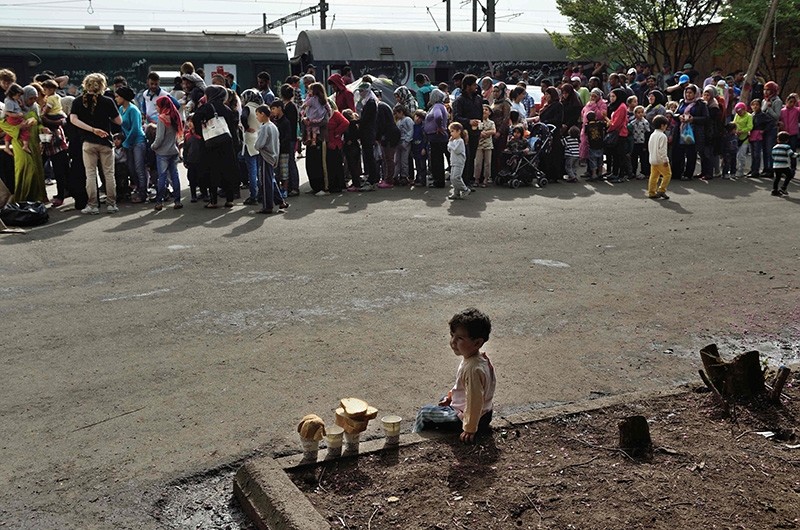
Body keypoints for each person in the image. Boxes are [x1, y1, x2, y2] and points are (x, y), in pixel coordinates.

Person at [413, 308, 496, 442]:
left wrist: (469, 428)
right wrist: (450, 397)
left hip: (469, 419)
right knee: (443, 399)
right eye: (452, 336)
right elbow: (467, 388)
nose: (453, 342)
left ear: (477, 343)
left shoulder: (472, 369)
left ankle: (414, 437)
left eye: (460, 338)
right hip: (485, 413)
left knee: (424, 412)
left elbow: (475, 400)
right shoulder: (479, 360)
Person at [69, 74, 122, 214]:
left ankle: (92, 205)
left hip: (87, 142)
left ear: (85, 85)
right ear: (102, 85)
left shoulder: (78, 101)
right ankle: (111, 204)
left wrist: (92, 130)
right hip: (105, 142)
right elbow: (119, 121)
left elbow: (73, 120)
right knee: (109, 174)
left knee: (90, 174)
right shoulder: (108, 101)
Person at [192, 85, 238, 208]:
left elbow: (196, 118)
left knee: (212, 171)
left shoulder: (206, 108)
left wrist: (200, 132)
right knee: (227, 170)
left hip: (211, 144)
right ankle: (229, 199)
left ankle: (213, 201)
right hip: (227, 144)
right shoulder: (226, 109)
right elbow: (233, 128)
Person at [114, 86, 148, 203]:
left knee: (139, 168)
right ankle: (139, 188)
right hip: (128, 143)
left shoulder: (133, 110)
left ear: (124, 97)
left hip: (138, 142)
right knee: (131, 168)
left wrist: (126, 143)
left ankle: (143, 193)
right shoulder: (120, 109)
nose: (116, 98)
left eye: (118, 96)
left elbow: (135, 129)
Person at [151, 96, 183, 210]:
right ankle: (177, 200)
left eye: (157, 105)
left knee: (162, 177)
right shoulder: (174, 116)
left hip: (162, 153)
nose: (156, 107)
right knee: (174, 176)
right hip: (173, 151)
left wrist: (153, 146)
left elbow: (159, 138)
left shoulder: (162, 118)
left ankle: (159, 202)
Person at [670, 84, 708, 181]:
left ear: (695, 93)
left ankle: (688, 174)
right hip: (680, 130)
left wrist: (693, 119)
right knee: (678, 152)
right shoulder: (682, 102)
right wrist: (679, 117)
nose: (688, 95)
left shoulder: (701, 104)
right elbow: (675, 114)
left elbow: (706, 118)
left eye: (690, 93)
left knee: (691, 153)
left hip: (693, 131)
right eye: (686, 92)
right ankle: (677, 173)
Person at [452, 75, 484, 186]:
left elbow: (481, 115)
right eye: (474, 84)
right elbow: (456, 117)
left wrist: (480, 128)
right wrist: (469, 121)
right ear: (467, 86)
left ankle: (469, 181)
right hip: (464, 135)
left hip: (475, 133)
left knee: (472, 158)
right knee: (465, 157)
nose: (476, 86)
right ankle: (462, 182)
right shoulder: (459, 101)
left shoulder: (478, 99)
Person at [253, 104, 281, 213]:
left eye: (257, 114)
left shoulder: (265, 127)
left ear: (263, 114)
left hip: (265, 156)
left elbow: (259, 144)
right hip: (273, 155)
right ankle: (280, 201)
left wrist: (256, 146)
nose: (257, 117)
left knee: (265, 182)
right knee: (270, 179)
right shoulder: (273, 126)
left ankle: (267, 206)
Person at [240, 89, 264, 205]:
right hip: (260, 139)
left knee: (252, 171)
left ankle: (253, 196)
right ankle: (261, 195)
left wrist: (246, 127)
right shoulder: (261, 108)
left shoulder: (247, 108)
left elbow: (243, 118)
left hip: (250, 140)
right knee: (259, 170)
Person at [354, 83, 379, 190]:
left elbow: (365, 120)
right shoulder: (368, 102)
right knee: (368, 157)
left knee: (370, 157)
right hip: (367, 133)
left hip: (368, 133)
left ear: (367, 91)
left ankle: (373, 180)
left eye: (362, 91)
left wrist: (353, 122)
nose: (360, 93)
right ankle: (372, 178)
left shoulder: (371, 103)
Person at [424, 88, 450, 188]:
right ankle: (439, 180)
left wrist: (439, 127)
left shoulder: (437, 106)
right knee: (438, 159)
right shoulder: (441, 106)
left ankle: (438, 181)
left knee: (436, 160)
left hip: (436, 137)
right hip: (438, 137)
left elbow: (438, 116)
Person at [761, 81, 782, 178]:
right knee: (764, 149)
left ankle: (771, 169)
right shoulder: (764, 100)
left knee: (770, 149)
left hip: (772, 127)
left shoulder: (777, 101)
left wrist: (769, 108)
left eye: (768, 90)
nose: (766, 92)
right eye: (765, 90)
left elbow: (776, 116)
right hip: (763, 127)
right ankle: (765, 168)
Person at [647, 115, 671, 199]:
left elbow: (650, 146)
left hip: (653, 159)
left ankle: (651, 192)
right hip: (661, 160)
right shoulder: (663, 136)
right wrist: (665, 160)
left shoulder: (652, 135)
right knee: (667, 174)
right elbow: (663, 150)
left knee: (653, 176)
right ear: (662, 125)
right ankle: (662, 190)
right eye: (665, 125)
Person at [3, 83, 31, 154]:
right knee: (25, 129)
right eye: (18, 95)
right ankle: (25, 145)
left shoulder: (14, 100)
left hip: (16, 117)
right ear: (13, 93)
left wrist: (20, 105)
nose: (19, 97)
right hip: (14, 119)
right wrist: (17, 115)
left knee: (10, 133)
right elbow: (7, 113)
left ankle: (6, 147)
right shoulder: (9, 101)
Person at [447, 122, 470, 200]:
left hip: (459, 162)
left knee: (456, 177)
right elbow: (449, 149)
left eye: (452, 131)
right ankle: (456, 193)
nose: (451, 133)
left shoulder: (460, 141)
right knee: (452, 178)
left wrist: (450, 143)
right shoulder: (454, 141)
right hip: (453, 161)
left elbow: (457, 150)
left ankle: (465, 189)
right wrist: (450, 143)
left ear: (459, 131)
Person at [474, 105, 495, 187]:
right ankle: (476, 179)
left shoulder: (491, 122)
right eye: (483, 110)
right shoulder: (478, 122)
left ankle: (486, 179)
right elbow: (475, 130)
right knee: (478, 162)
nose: (484, 111)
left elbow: (493, 131)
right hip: (479, 144)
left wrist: (486, 133)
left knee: (488, 162)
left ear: (489, 112)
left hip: (488, 145)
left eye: (486, 110)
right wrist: (480, 133)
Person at [393, 104, 414, 185]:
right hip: (399, 142)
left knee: (404, 160)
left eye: (397, 113)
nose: (396, 115)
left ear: (401, 112)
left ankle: (404, 176)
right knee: (397, 160)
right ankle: (396, 175)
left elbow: (411, 131)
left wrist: (406, 141)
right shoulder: (399, 121)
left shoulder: (408, 120)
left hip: (405, 142)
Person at [771, 131, 795, 196]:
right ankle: (783, 187)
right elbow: (791, 154)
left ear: (778, 139)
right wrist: (797, 155)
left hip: (776, 165)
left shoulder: (775, 147)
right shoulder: (787, 147)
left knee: (777, 178)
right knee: (789, 175)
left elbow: (772, 155)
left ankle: (774, 190)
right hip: (784, 165)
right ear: (787, 140)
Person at [779, 93, 799, 174]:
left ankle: (793, 168)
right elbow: (778, 119)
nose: (791, 104)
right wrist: (779, 123)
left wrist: (798, 100)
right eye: (790, 101)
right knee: (783, 152)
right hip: (784, 133)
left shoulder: (796, 110)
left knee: (792, 151)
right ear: (786, 101)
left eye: (793, 102)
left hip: (793, 133)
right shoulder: (782, 111)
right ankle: (784, 168)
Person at [629, 105, 651, 179]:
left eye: (642, 112)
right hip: (635, 142)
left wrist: (646, 145)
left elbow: (647, 132)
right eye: (638, 112)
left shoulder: (645, 122)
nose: (640, 114)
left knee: (643, 159)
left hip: (642, 142)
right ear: (635, 113)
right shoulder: (632, 122)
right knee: (634, 158)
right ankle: (633, 172)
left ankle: (644, 172)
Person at [732, 102, 752, 178]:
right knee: (735, 154)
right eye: (737, 112)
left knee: (741, 155)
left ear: (744, 109)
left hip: (745, 138)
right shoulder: (737, 115)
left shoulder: (749, 116)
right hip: (736, 137)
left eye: (740, 111)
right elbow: (734, 123)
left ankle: (741, 170)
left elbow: (750, 127)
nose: (739, 113)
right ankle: (734, 169)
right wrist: (734, 130)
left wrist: (742, 131)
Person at [584, 111, 606, 180]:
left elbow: (585, 134)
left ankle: (594, 174)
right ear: (595, 117)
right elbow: (609, 124)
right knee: (600, 160)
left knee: (592, 160)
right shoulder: (599, 124)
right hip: (600, 144)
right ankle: (600, 173)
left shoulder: (587, 126)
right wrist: (605, 117)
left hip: (592, 145)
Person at [748, 99, 767, 177]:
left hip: (758, 136)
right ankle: (752, 169)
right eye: (753, 104)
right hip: (752, 135)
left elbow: (770, 123)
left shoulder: (763, 115)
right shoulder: (751, 115)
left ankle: (756, 171)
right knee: (753, 154)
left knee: (757, 154)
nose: (755, 106)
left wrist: (763, 131)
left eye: (757, 105)